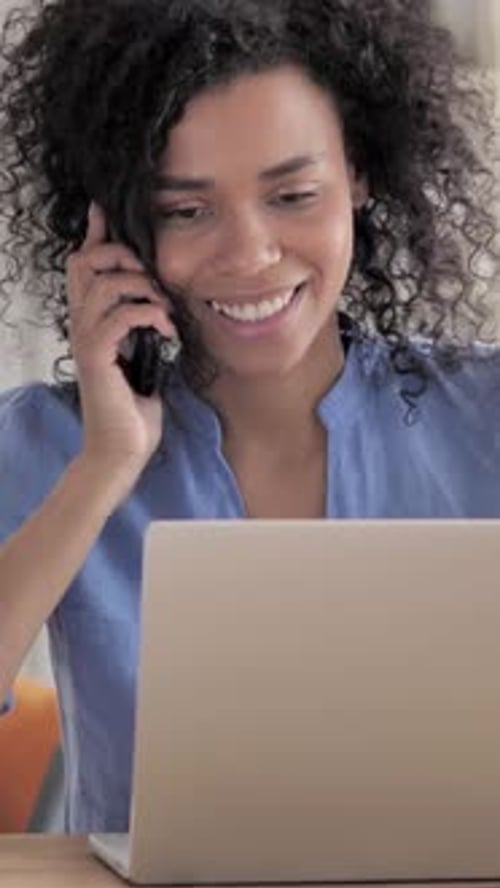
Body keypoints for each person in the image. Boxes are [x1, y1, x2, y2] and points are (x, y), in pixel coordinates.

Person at [0, 0, 498, 832]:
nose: (250, 254)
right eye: (184, 210)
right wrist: (105, 467)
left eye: (294, 194)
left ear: (361, 177)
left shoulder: (483, 416)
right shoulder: (49, 445)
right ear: (117, 225)